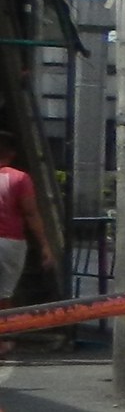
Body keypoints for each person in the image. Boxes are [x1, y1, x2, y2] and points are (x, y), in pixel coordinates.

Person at [0, 130, 51, 348]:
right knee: (5, 293)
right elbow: (31, 213)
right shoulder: (19, 178)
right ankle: (3, 341)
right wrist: (44, 246)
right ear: (11, 153)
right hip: (11, 242)